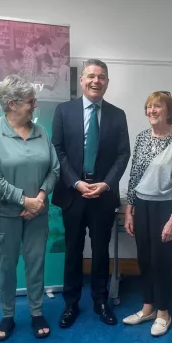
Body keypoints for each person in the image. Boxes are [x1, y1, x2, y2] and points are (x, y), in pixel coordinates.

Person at [51, 59, 130, 328]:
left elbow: (123, 155)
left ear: (107, 82)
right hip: (73, 193)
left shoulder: (117, 114)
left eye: (102, 77)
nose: (96, 81)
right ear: (82, 80)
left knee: (100, 251)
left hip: (103, 195)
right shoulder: (64, 111)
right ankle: (70, 304)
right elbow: (57, 151)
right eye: (91, 76)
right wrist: (75, 183)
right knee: (72, 250)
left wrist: (106, 184)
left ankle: (100, 301)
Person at [0, 75, 60, 341]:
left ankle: (37, 312)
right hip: (6, 215)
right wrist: (24, 201)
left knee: (36, 265)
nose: (34, 105)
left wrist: (38, 198)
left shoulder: (41, 132)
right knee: (6, 266)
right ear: (12, 104)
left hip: (37, 214)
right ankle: (8, 315)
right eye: (30, 102)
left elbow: (54, 169)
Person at [122, 91, 172, 337]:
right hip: (141, 205)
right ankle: (148, 307)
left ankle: (163, 312)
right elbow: (134, 177)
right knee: (145, 258)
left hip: (165, 207)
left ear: (168, 110)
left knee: (161, 260)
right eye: (149, 106)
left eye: (157, 106)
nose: (152, 110)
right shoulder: (141, 138)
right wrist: (129, 210)